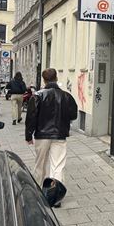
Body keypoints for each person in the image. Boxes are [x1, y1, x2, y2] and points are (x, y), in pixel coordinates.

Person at [25, 68, 78, 207]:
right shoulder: (66, 96)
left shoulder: (37, 96)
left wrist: (28, 135)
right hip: (60, 135)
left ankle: (38, 193)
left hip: (42, 135)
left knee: (40, 164)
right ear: (56, 78)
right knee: (58, 165)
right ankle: (56, 198)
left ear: (44, 80)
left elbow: (31, 117)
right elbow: (73, 115)